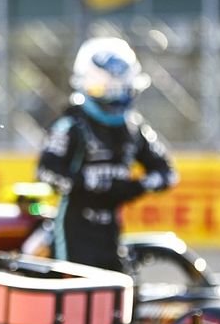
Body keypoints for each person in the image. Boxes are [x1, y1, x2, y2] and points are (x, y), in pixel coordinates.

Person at [36, 36, 177, 272]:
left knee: (115, 291)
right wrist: (87, 185)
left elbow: (167, 173)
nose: (113, 96)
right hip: (74, 229)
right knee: (77, 293)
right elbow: (46, 171)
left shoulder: (133, 127)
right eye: (106, 87)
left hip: (111, 228)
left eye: (119, 87)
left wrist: (136, 186)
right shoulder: (72, 125)